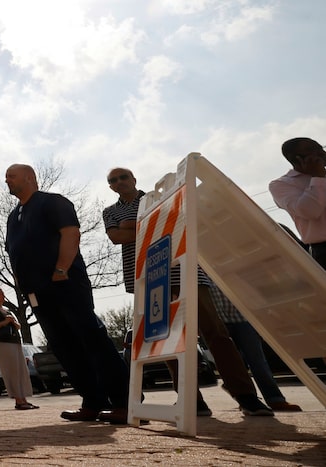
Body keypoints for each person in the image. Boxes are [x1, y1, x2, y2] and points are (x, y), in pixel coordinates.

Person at [102, 166, 274, 417]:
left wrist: (135, 226)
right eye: (113, 180)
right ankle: (191, 399)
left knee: (215, 332)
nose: (119, 182)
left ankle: (245, 395)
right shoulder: (110, 212)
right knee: (167, 339)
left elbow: (175, 224)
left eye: (123, 177)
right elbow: (117, 236)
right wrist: (150, 225)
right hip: (148, 277)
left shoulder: (158, 198)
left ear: (134, 179)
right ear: (110, 187)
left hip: (186, 270)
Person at [5, 163, 130, 424]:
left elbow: (70, 233)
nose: (7, 180)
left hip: (65, 282)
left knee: (91, 339)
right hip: (37, 294)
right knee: (64, 347)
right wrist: (23, 286)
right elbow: (14, 252)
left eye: (11, 176)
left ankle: (125, 402)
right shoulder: (13, 216)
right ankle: (93, 402)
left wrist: (61, 269)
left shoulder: (53, 203)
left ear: (29, 177)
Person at [209, 283, 301, 411]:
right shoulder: (198, 269)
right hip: (217, 320)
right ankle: (246, 399)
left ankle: (275, 399)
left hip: (242, 317)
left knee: (257, 359)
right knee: (232, 363)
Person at [269, 137, 326, 268]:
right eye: (312, 150)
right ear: (295, 158)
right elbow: (310, 211)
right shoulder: (281, 185)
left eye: (320, 148)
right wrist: (318, 177)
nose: (320, 153)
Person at [0, 287, 38, 410]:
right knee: (12, 371)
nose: (4, 295)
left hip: (15, 342)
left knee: (21, 370)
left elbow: (18, 326)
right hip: (3, 342)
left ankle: (24, 399)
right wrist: (5, 322)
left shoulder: (6, 310)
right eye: (1, 294)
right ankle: (18, 400)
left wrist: (13, 322)